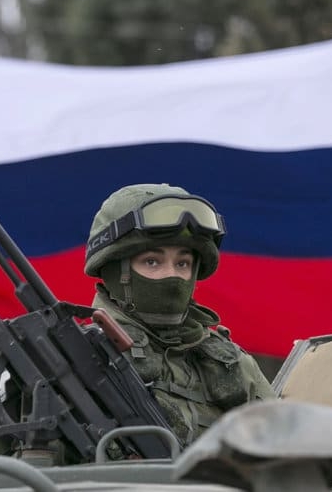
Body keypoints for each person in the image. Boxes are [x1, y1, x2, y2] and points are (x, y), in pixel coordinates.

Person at [84, 183, 275, 449]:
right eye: (152, 261)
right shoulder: (76, 360)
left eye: (182, 263)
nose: (171, 275)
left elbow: (291, 457)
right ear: (115, 269)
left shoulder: (233, 362)